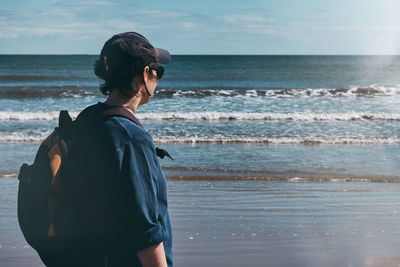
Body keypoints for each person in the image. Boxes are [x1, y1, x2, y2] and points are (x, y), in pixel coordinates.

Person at [50, 32, 173, 267]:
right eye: (158, 71)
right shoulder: (131, 139)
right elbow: (146, 232)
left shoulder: (89, 118)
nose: (158, 77)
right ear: (145, 74)